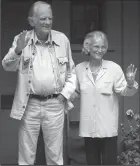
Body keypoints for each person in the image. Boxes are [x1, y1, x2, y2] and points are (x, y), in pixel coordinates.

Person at [2, 1, 76, 165]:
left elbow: (72, 72)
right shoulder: (21, 39)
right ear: (31, 21)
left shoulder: (62, 39)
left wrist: (65, 95)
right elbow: (7, 66)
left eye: (50, 18)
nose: (47, 22)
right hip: (30, 105)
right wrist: (18, 50)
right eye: (43, 19)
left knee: (55, 156)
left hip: (55, 104)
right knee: (26, 155)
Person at [71, 31, 138, 165]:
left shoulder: (113, 68)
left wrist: (130, 84)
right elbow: (75, 92)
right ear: (88, 47)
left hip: (108, 128)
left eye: (103, 47)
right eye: (96, 46)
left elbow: (125, 91)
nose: (100, 50)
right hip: (89, 128)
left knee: (109, 163)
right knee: (92, 163)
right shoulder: (79, 69)